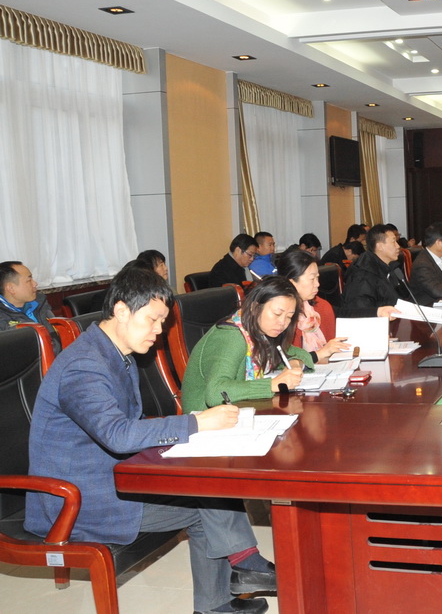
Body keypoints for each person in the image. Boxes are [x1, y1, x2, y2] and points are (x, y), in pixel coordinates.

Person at [25, 265, 276, 614]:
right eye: (153, 320)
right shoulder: (84, 366)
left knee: (209, 483)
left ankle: (237, 576)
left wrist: (191, 436)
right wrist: (195, 423)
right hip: (79, 498)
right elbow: (118, 434)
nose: (159, 331)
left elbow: (129, 425)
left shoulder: (114, 353)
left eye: (163, 322)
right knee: (204, 508)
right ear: (121, 311)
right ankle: (231, 584)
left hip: (112, 476)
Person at [181, 276, 313, 411]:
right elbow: (215, 393)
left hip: (242, 410)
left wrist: (294, 364)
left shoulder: (263, 332)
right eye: (277, 314)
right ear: (255, 308)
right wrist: (272, 384)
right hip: (206, 418)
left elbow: (299, 353)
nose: (283, 322)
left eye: (289, 317)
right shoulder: (231, 336)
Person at [278, 249, 350, 363]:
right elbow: (285, 361)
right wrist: (321, 353)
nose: (318, 284)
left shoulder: (321, 307)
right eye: (312, 279)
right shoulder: (280, 316)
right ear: (291, 282)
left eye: (317, 278)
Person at [339, 224, 406, 318]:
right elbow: (361, 312)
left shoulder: (391, 268)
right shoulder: (363, 276)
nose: (398, 246)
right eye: (393, 242)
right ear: (380, 246)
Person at [0, 260, 61, 354]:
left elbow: (58, 336)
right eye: (29, 280)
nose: (35, 284)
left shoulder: (39, 303)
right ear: (11, 288)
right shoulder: (3, 319)